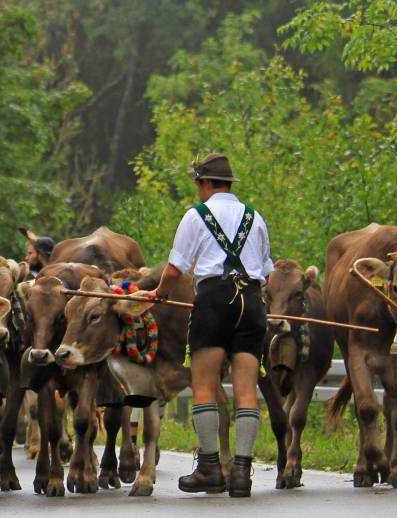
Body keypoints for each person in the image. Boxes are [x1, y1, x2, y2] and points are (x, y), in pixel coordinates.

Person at [146, 153, 273, 498]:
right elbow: (268, 272)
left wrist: (159, 293)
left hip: (214, 299)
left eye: (197, 184)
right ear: (229, 183)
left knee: (203, 384)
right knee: (246, 389)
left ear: (203, 183)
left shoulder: (196, 216)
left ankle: (210, 468)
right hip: (251, 301)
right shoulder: (254, 217)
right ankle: (243, 474)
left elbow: (175, 268)